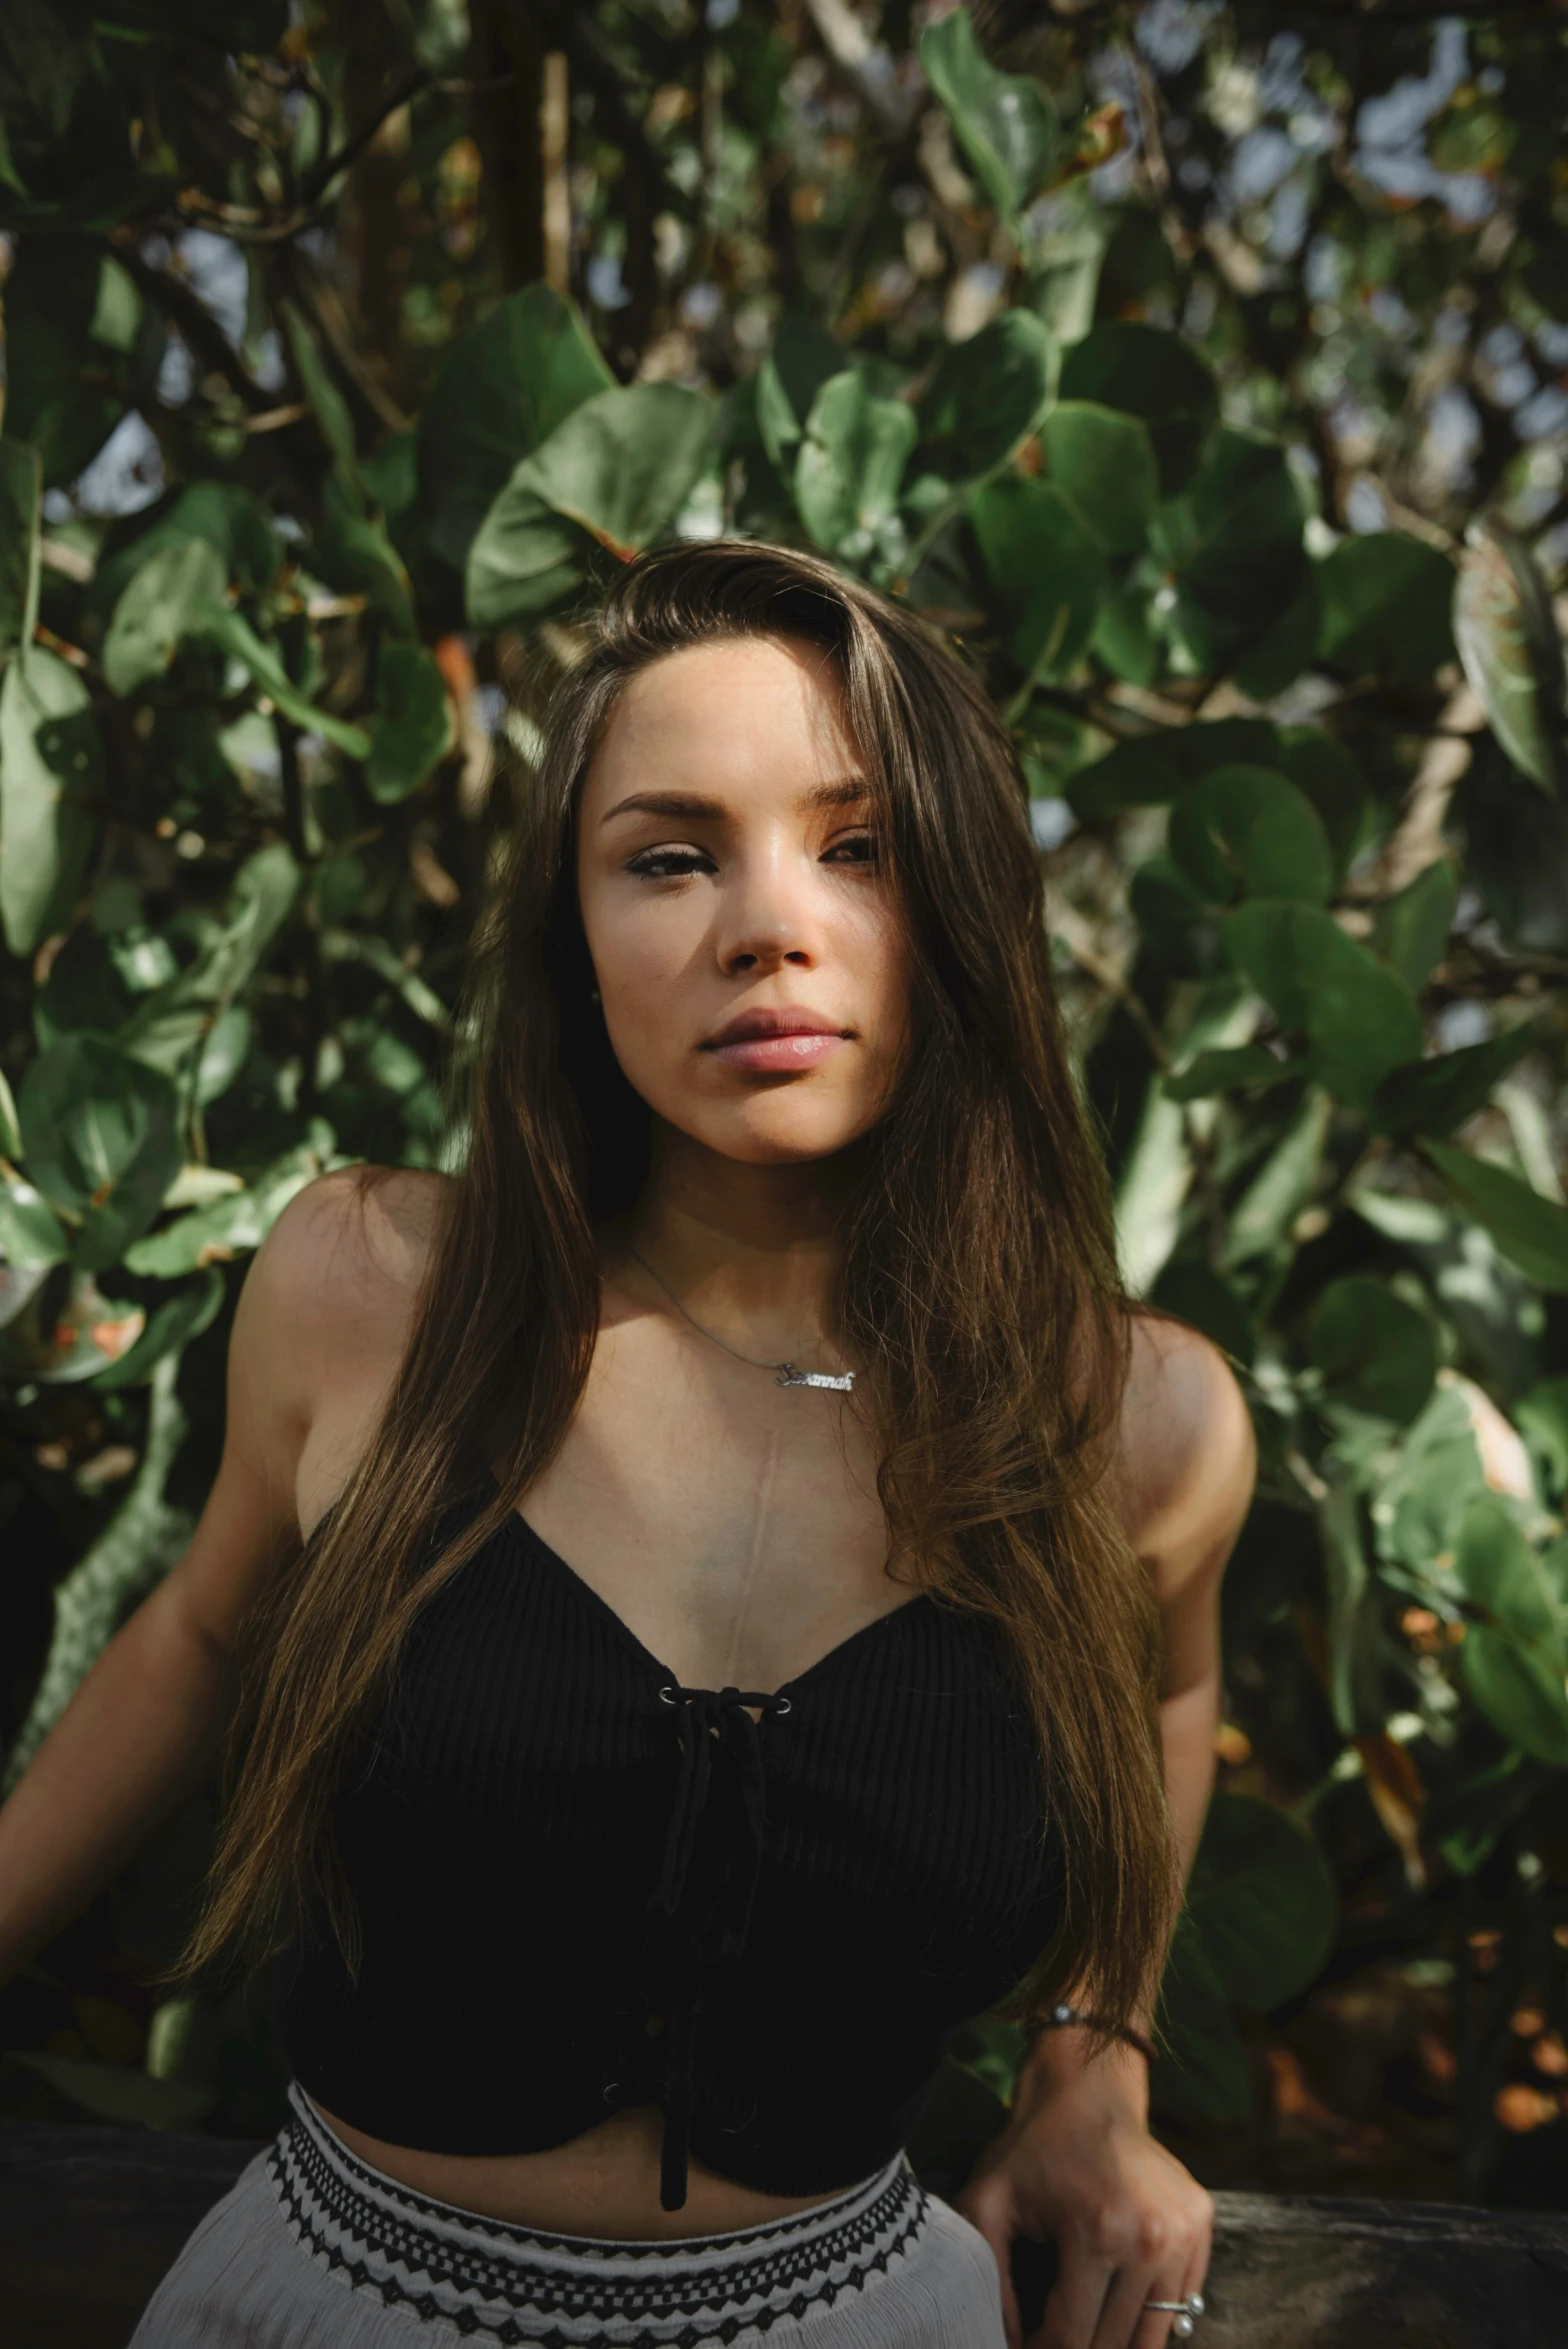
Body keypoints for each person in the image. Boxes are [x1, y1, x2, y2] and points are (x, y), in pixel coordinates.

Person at [0, 540, 1256, 2349]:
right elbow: (196, 1637)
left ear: (971, 908)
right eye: (669, 857)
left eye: (861, 847)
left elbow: (1163, 1701)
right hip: (320, 2304)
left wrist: (1093, 2067)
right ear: (575, 938)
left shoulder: (1132, 1420)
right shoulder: (374, 1294)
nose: (767, 922)